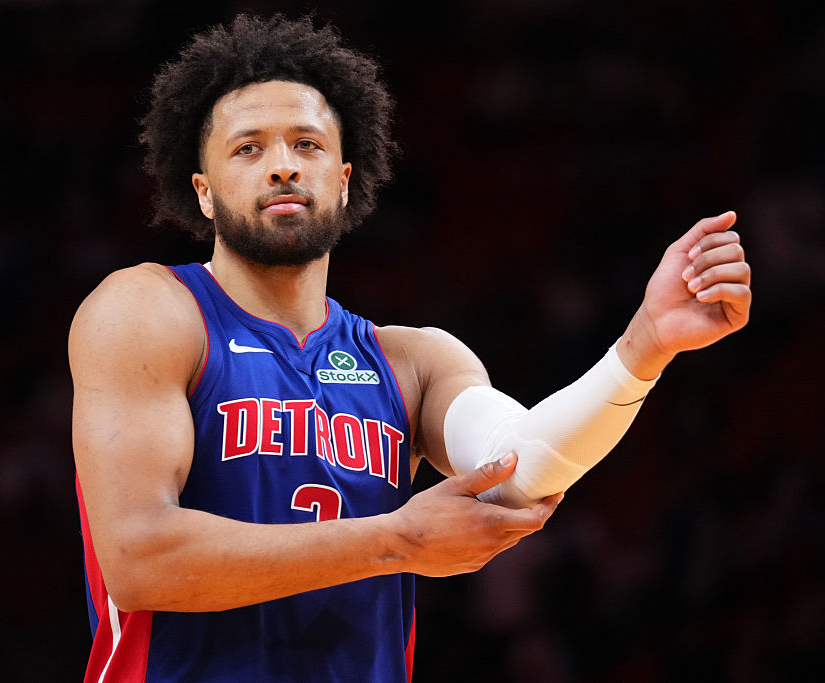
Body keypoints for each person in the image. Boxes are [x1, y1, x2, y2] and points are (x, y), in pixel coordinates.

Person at [69, 14, 751, 682]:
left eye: (306, 145)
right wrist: (395, 538)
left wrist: (645, 344)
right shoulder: (148, 310)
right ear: (205, 193)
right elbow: (137, 558)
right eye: (248, 148)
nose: (281, 166)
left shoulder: (413, 362)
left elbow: (519, 469)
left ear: (342, 179)